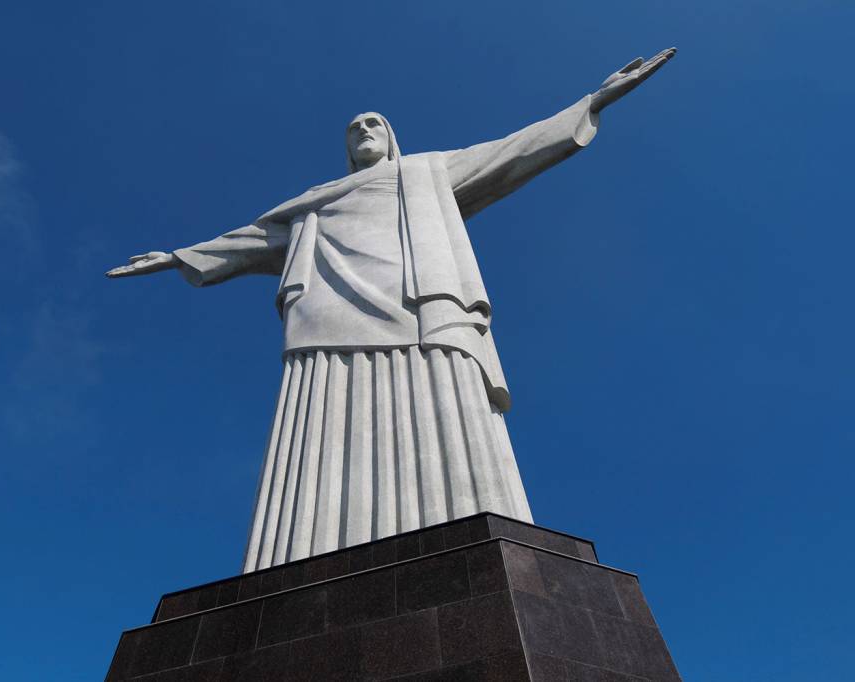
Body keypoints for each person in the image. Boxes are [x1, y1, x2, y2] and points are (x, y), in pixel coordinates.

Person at [107, 49, 676, 572]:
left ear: (392, 136)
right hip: (328, 317)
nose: (362, 130)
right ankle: (299, 562)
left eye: (373, 123)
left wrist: (591, 102)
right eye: (353, 128)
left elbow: (511, 152)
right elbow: (250, 240)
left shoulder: (428, 173)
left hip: (424, 307)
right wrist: (175, 257)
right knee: (320, 429)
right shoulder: (314, 203)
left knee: (444, 408)